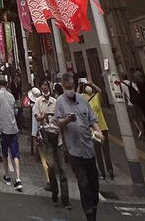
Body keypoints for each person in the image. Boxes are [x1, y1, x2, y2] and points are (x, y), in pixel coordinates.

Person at [54, 72, 104, 221]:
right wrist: (68, 120)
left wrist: (99, 132)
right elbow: (58, 123)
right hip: (73, 150)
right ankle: (89, 215)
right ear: (63, 86)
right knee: (83, 184)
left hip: (88, 148)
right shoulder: (60, 102)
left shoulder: (82, 100)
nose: (70, 89)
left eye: (71, 87)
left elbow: (92, 119)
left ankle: (93, 208)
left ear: (75, 86)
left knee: (94, 184)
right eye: (67, 87)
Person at [35, 80, 69, 208]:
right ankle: (55, 193)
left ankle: (65, 199)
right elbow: (37, 117)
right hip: (46, 139)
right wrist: (41, 116)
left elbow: (62, 119)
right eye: (42, 87)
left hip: (58, 138)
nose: (44, 89)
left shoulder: (56, 102)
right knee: (52, 166)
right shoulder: (38, 102)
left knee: (63, 169)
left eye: (46, 87)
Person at [0, 76, 23, 191]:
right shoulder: (11, 96)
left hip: (3, 128)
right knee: (15, 154)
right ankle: (18, 178)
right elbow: (15, 110)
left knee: (5, 154)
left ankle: (7, 176)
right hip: (13, 127)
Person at [83, 82, 114, 181]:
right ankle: (102, 172)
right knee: (97, 152)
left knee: (106, 150)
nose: (89, 88)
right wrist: (80, 86)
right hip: (92, 130)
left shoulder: (96, 97)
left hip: (103, 127)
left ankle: (110, 171)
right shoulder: (84, 100)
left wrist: (92, 84)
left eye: (90, 87)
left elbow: (100, 91)